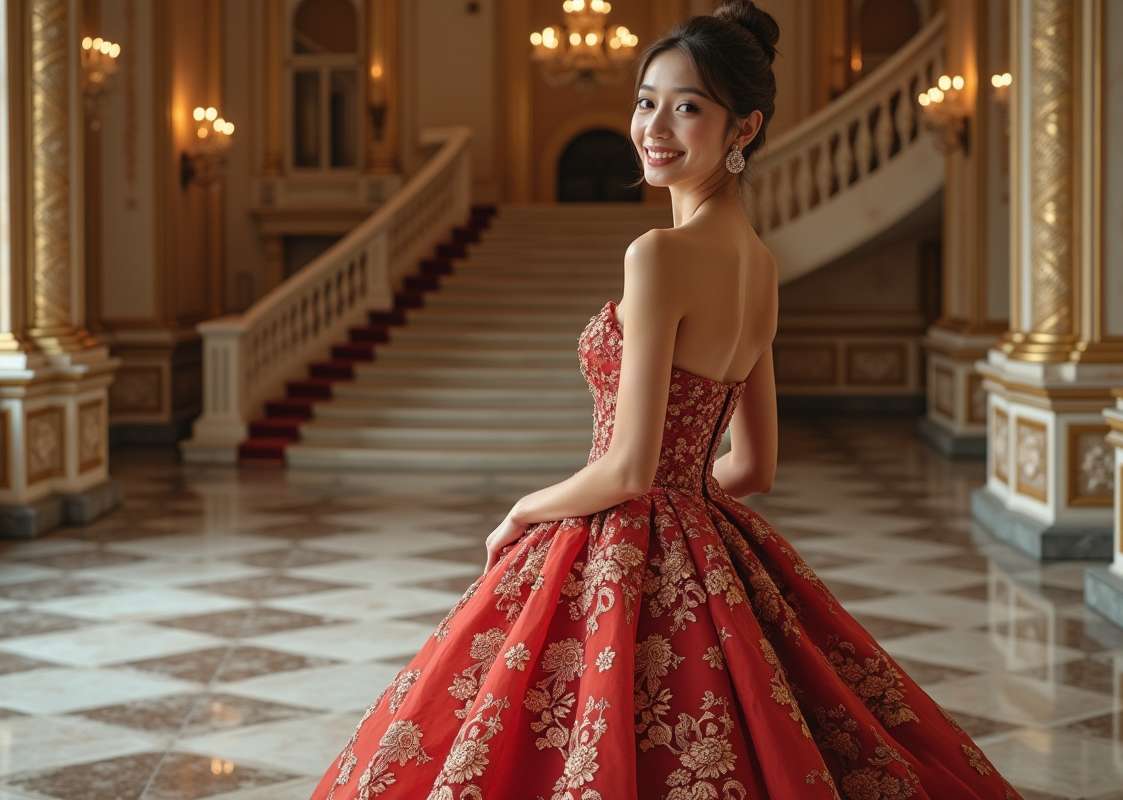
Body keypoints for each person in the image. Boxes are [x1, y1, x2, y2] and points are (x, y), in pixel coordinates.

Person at [310, 3, 1019, 798]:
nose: (655, 126)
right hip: (703, 529)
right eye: (647, 100)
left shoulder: (659, 255)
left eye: (688, 107)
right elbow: (753, 466)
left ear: (742, 128)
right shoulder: (761, 264)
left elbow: (627, 469)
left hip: (623, 532)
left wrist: (525, 508)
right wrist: (689, 500)